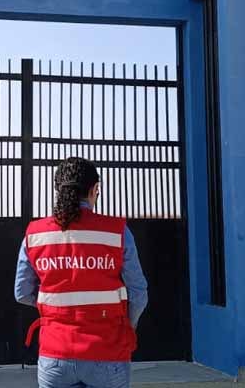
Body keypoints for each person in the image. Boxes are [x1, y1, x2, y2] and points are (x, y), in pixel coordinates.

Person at [14, 157, 149, 388]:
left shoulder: (35, 234)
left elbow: (22, 293)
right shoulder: (117, 231)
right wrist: (127, 325)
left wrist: (56, 309)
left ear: (58, 190)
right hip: (108, 353)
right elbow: (138, 294)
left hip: (55, 356)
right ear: (95, 189)